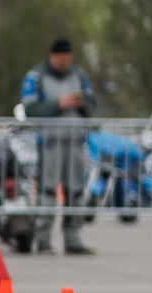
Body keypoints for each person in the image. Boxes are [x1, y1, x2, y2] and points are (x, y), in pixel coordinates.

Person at [21, 35, 96, 255]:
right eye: (60, 58)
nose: (64, 62)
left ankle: (73, 239)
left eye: (68, 57)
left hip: (75, 143)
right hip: (50, 144)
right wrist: (58, 105)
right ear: (51, 56)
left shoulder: (79, 76)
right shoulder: (36, 76)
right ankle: (43, 240)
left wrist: (83, 104)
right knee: (48, 191)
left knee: (76, 190)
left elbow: (92, 104)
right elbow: (30, 109)